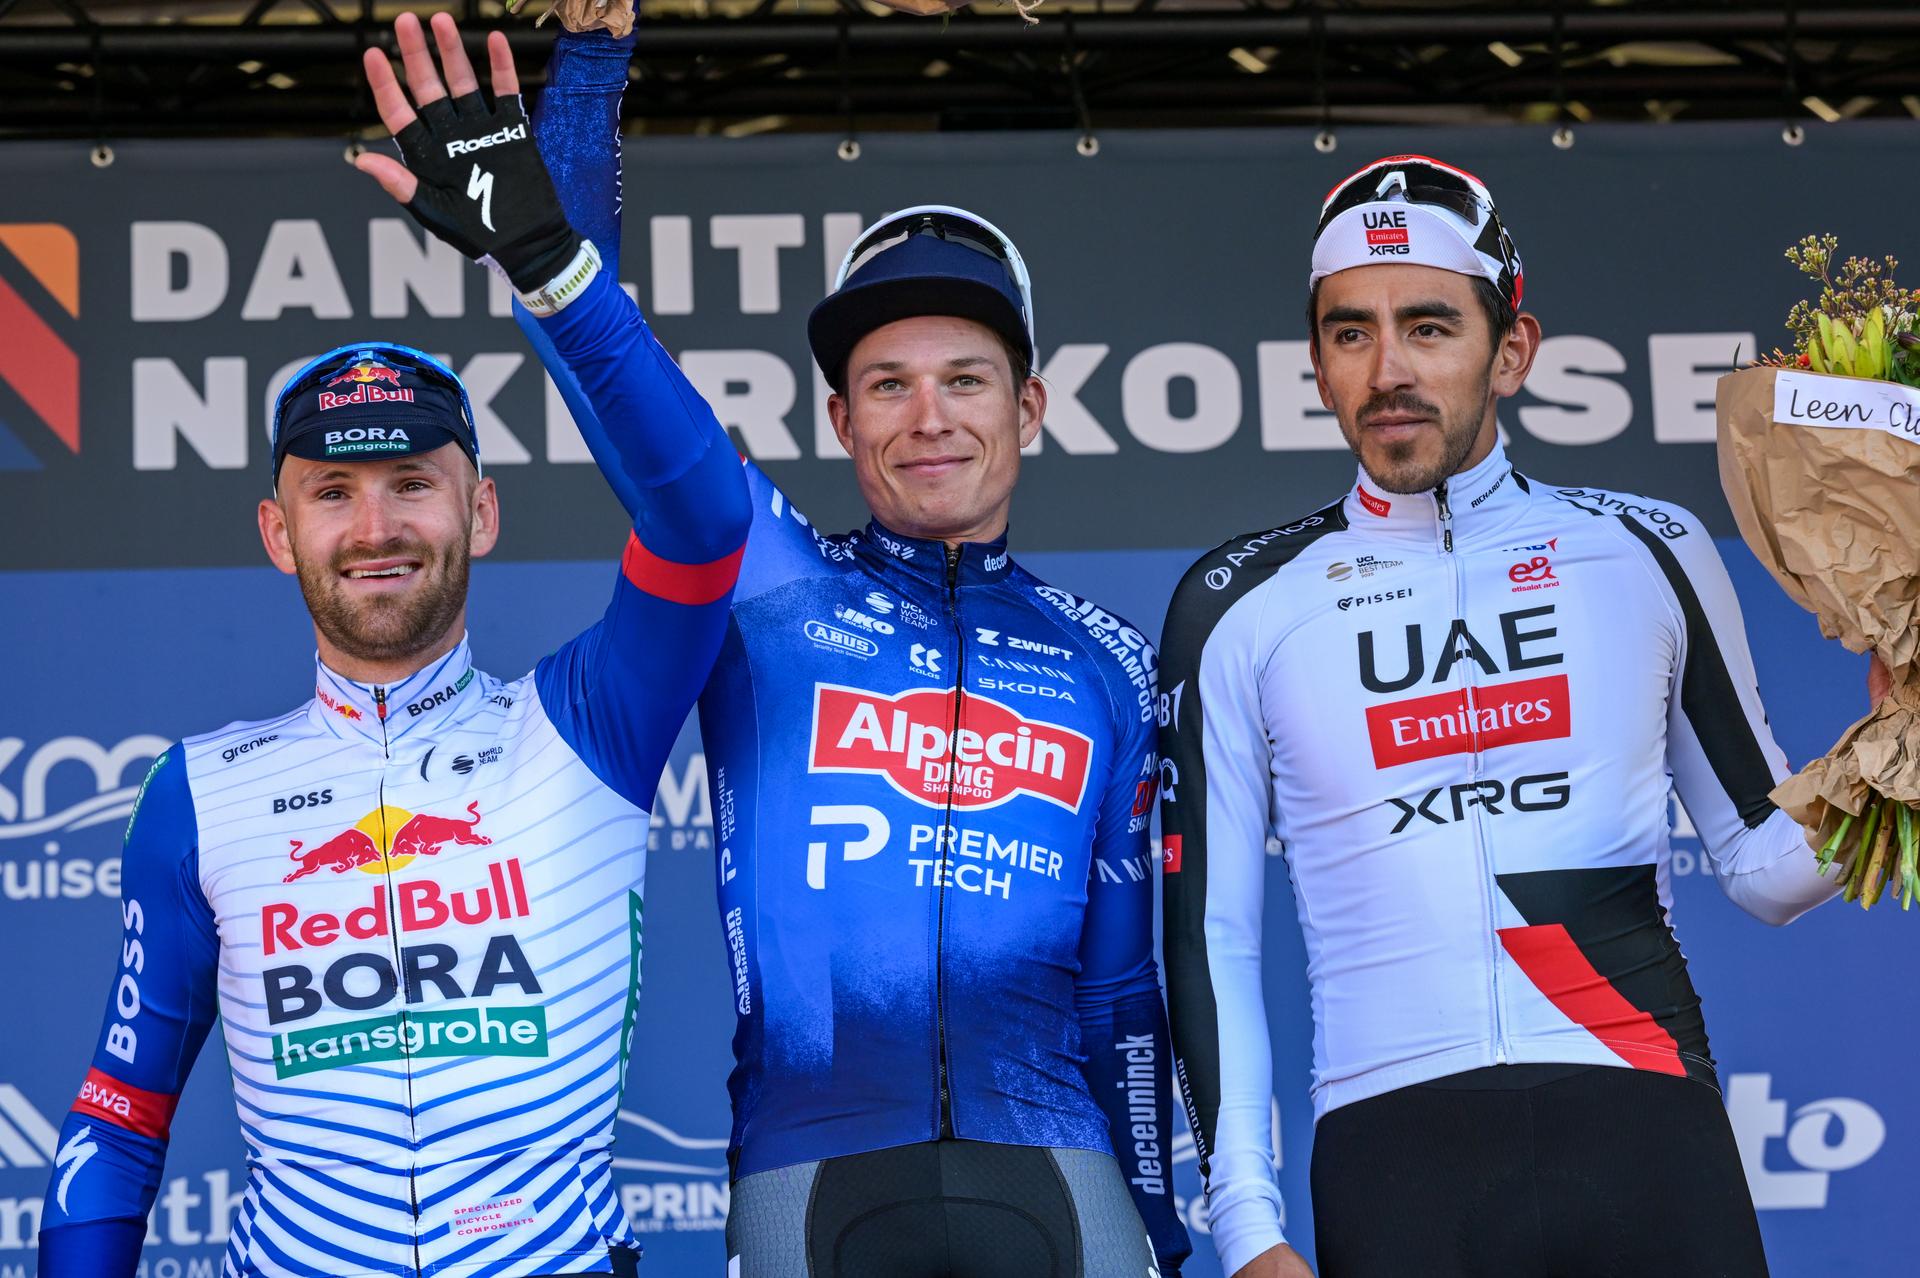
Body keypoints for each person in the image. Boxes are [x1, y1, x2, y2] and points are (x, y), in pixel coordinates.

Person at [37, 15, 748, 1277]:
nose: (375, 529)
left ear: (482, 512)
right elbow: (120, 1113)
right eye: (333, 493)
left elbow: (701, 519)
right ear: (278, 531)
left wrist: (550, 258)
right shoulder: (198, 793)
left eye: (414, 484)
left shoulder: (588, 722)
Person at [515, 25, 1190, 1278]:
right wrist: (593, 67)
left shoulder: (1106, 662)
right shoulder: (766, 581)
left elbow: (1120, 993)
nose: (929, 417)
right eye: (887, 385)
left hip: (1061, 1175)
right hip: (813, 1177)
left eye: (966, 380)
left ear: (1029, 407)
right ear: (838, 416)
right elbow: (590, 344)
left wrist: (1160, 1231)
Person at [1157, 154, 1857, 1278]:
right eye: (1351, 332)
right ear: (1317, 364)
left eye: (1430, 326)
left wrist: (1897, 748)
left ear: (1513, 350)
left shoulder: (1647, 548)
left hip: (1645, 1122)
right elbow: (1212, 935)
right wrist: (1245, 1225)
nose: (1389, 369)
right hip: (1397, 1149)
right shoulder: (1240, 603)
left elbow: (1768, 865)